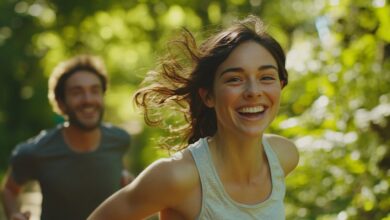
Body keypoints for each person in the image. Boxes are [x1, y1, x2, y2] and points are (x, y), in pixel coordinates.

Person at [89, 15, 299, 220]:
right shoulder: (177, 177)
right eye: (234, 79)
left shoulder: (283, 156)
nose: (253, 91)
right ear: (208, 95)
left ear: (280, 86)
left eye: (266, 78)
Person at [1, 55, 133, 220]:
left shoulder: (120, 140)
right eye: (77, 93)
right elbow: (9, 190)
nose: (88, 99)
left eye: (95, 90)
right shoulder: (35, 151)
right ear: (61, 103)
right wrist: (14, 213)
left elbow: (121, 175)